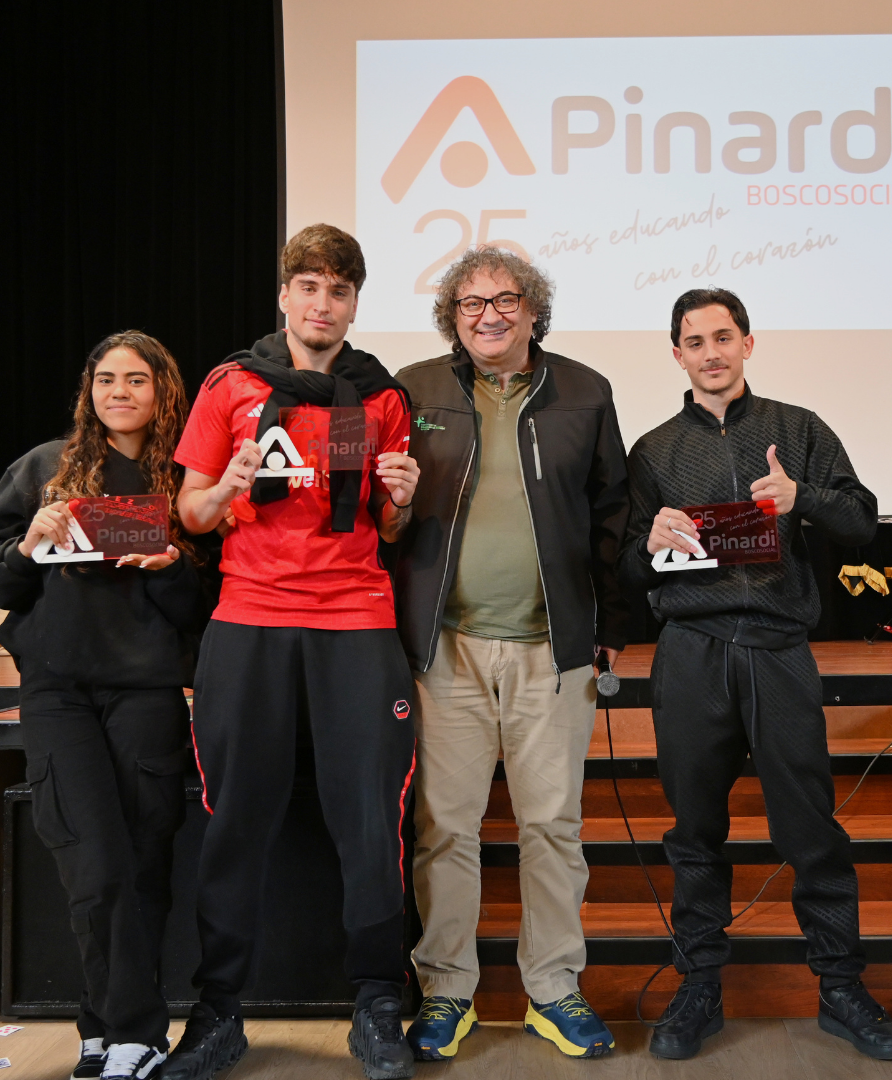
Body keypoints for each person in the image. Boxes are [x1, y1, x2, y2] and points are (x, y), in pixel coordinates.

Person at [618, 288, 892, 1062]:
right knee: (693, 833)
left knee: (811, 830)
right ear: (676, 354)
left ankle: (841, 988)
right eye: (695, 341)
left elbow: (863, 520)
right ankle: (698, 987)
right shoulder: (653, 451)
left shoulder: (798, 430)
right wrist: (651, 542)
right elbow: (626, 572)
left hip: (779, 649)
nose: (711, 352)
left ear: (749, 343)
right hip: (691, 652)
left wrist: (800, 497)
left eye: (724, 337)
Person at [161, 225, 421, 1080]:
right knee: (234, 817)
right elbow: (190, 515)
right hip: (250, 616)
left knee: (369, 816)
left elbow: (385, 528)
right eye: (307, 286)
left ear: (355, 302)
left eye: (339, 290)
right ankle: (218, 1010)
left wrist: (401, 503)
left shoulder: (376, 396)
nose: (322, 304)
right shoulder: (231, 386)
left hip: (355, 620)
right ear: (284, 295)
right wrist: (227, 488)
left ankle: (380, 1001)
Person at [391, 247, 630, 1060]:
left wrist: (602, 628)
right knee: (445, 829)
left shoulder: (585, 391)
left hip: (552, 653)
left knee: (553, 827)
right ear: (451, 318)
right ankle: (445, 993)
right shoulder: (413, 389)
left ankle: (555, 989)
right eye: (469, 303)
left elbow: (613, 515)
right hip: (444, 650)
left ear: (534, 309)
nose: (488, 314)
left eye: (505, 299)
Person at [0, 332, 206, 1080]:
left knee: (140, 864)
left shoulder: (184, 479)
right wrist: (31, 543)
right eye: (106, 379)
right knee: (91, 863)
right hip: (58, 691)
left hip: (145, 693)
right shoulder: (45, 469)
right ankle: (133, 1026)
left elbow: (203, 604)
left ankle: (107, 1029)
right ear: (89, 389)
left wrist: (169, 563)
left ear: (163, 390)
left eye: (137, 379)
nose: (119, 392)